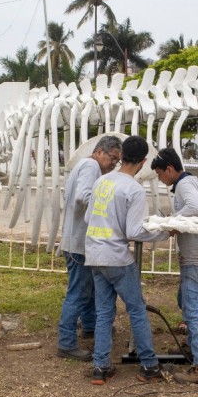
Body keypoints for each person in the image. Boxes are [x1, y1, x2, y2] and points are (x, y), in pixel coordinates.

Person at [84, 135, 168, 385]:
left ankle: (100, 367)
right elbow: (134, 231)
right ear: (143, 161)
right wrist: (164, 232)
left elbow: (89, 218)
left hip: (95, 256)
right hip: (117, 258)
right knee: (137, 310)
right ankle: (149, 365)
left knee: (104, 312)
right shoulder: (133, 189)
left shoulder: (101, 182)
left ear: (120, 156)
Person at [150, 147, 198, 385]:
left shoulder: (186, 186)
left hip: (196, 259)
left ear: (169, 169)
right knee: (185, 302)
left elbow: (196, 208)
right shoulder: (193, 182)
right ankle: (195, 346)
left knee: (193, 311)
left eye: (160, 174)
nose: (160, 179)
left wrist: (172, 222)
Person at [56, 135, 122, 361]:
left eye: (117, 161)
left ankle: (91, 326)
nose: (114, 163)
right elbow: (82, 198)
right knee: (79, 293)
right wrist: (107, 206)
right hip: (79, 243)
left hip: (78, 241)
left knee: (88, 289)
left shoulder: (87, 166)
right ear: (100, 152)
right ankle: (66, 343)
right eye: (113, 158)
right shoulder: (91, 166)